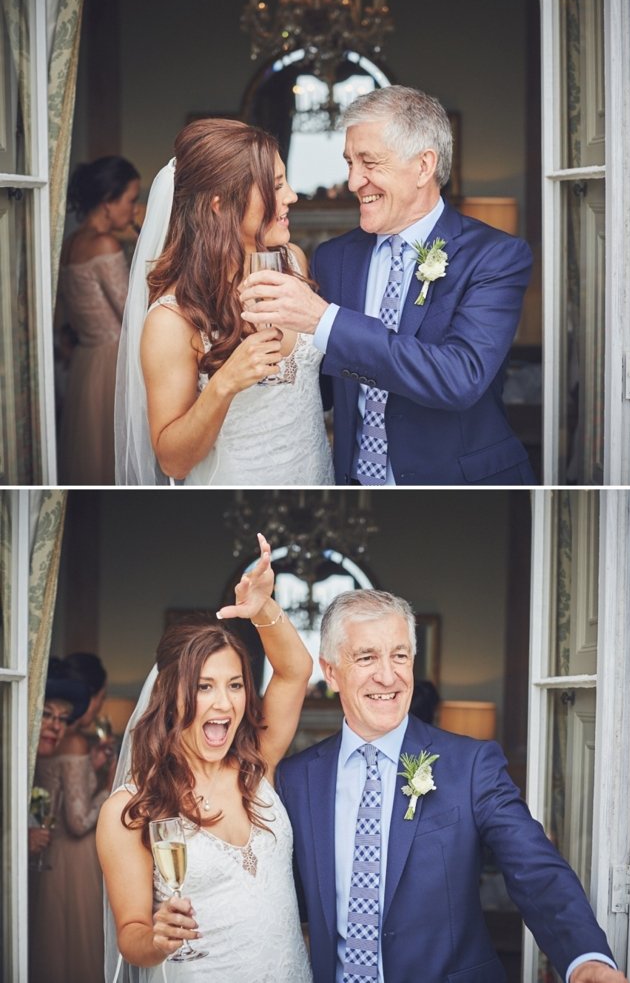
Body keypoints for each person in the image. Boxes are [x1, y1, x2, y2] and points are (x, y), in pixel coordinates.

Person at [275, 590, 629, 983]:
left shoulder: (471, 765)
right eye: (366, 658)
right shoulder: (296, 779)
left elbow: (534, 868)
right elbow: (281, 900)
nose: (388, 676)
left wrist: (585, 958)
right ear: (331, 671)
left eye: (399, 656)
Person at [240, 85, 536, 486]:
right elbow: (317, 387)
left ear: (424, 166)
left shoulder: (495, 256)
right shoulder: (333, 258)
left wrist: (324, 320)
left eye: (369, 162)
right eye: (349, 163)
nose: (352, 181)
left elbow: (460, 378)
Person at [96, 534, 313, 982]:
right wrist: (157, 939)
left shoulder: (257, 763)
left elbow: (295, 670)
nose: (224, 703)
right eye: (204, 687)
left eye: (235, 685)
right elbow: (131, 935)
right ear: (169, 695)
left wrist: (263, 609)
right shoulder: (131, 807)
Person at [114, 118, 334, 486]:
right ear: (220, 203)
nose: (292, 196)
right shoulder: (172, 319)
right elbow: (173, 462)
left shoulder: (293, 262)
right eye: (276, 185)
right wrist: (225, 383)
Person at [58, 155, 141, 484]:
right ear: (108, 201)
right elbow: (131, 314)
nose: (134, 210)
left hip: (85, 361)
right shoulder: (105, 245)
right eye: (131, 200)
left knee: (90, 453)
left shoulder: (69, 244)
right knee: (111, 455)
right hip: (113, 363)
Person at [29, 658, 103, 983]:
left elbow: (42, 804)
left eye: (62, 718)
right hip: (68, 861)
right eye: (47, 714)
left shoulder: (36, 755)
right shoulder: (20, 755)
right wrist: (111, 787)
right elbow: (78, 820)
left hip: (46, 857)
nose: (56, 726)